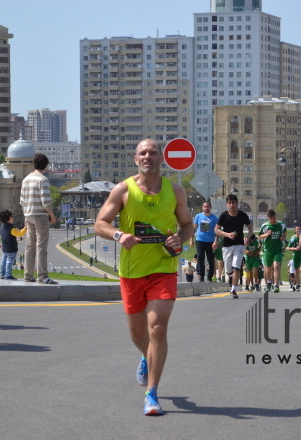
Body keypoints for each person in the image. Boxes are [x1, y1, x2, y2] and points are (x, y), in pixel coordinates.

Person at [94, 139, 193, 416]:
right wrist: (119, 234)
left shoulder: (175, 192)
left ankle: (151, 393)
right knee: (138, 335)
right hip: (132, 271)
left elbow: (187, 226)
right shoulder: (124, 189)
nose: (147, 156)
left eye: (152, 152)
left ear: (161, 158)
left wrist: (179, 238)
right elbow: (100, 223)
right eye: (142, 153)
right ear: (135, 158)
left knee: (157, 328)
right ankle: (144, 356)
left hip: (163, 268)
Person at [20, 153, 58, 284]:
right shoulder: (43, 180)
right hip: (41, 216)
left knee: (29, 246)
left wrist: (26, 215)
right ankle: (42, 276)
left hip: (28, 215)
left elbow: (22, 201)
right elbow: (46, 201)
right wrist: (51, 215)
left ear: (34, 165)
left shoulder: (26, 179)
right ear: (46, 166)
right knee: (41, 246)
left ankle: (28, 275)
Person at [215, 194, 253, 299]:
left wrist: (247, 237)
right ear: (227, 205)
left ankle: (233, 290)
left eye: (234, 203)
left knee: (236, 266)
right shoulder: (223, 216)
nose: (232, 205)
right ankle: (230, 276)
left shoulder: (243, 215)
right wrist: (227, 234)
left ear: (237, 203)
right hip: (227, 246)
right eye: (230, 203)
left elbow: (250, 229)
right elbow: (216, 229)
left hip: (239, 245)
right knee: (228, 270)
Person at [258, 209, 286, 293]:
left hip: (278, 250)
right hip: (268, 250)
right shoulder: (265, 226)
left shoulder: (281, 225)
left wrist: (283, 237)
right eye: (271, 218)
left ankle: (276, 285)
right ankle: (269, 283)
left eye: (274, 218)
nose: (273, 220)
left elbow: (284, 233)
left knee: (276, 266)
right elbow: (259, 236)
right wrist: (267, 234)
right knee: (268, 268)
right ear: (268, 218)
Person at [190, 201, 218, 282]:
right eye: (205, 206)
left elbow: (217, 231)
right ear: (202, 207)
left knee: (211, 259)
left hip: (210, 241)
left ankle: (210, 277)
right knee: (200, 257)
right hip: (200, 240)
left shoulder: (214, 218)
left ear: (210, 207)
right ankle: (201, 276)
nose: (206, 208)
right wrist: (191, 239)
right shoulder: (198, 216)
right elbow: (194, 228)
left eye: (208, 206)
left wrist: (216, 241)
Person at [0, 210, 27, 280]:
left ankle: (2, 273)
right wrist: (25, 228)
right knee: (9, 262)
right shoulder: (11, 229)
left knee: (3, 261)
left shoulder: (2, 227)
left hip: (5, 248)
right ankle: (8, 275)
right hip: (11, 249)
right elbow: (19, 234)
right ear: (10, 217)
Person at [286, 226, 301, 291]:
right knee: (296, 270)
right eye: (297, 229)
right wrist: (295, 249)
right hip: (295, 255)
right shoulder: (293, 238)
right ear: (295, 230)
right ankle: (297, 284)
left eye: (299, 229)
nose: (298, 230)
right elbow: (288, 248)